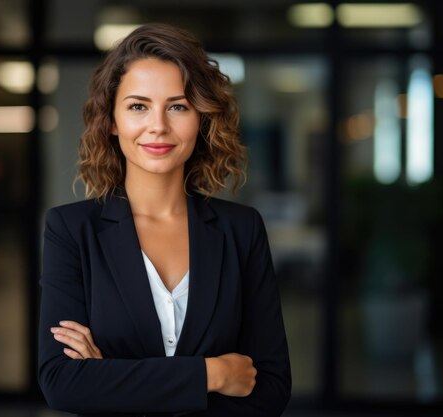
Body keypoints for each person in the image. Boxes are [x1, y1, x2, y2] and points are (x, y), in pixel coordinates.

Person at [38, 23, 291, 416]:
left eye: (178, 106)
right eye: (138, 106)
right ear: (111, 121)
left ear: (201, 119)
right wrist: (213, 374)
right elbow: (63, 384)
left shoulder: (241, 230)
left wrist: (113, 377)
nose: (158, 125)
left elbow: (271, 386)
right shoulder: (72, 231)